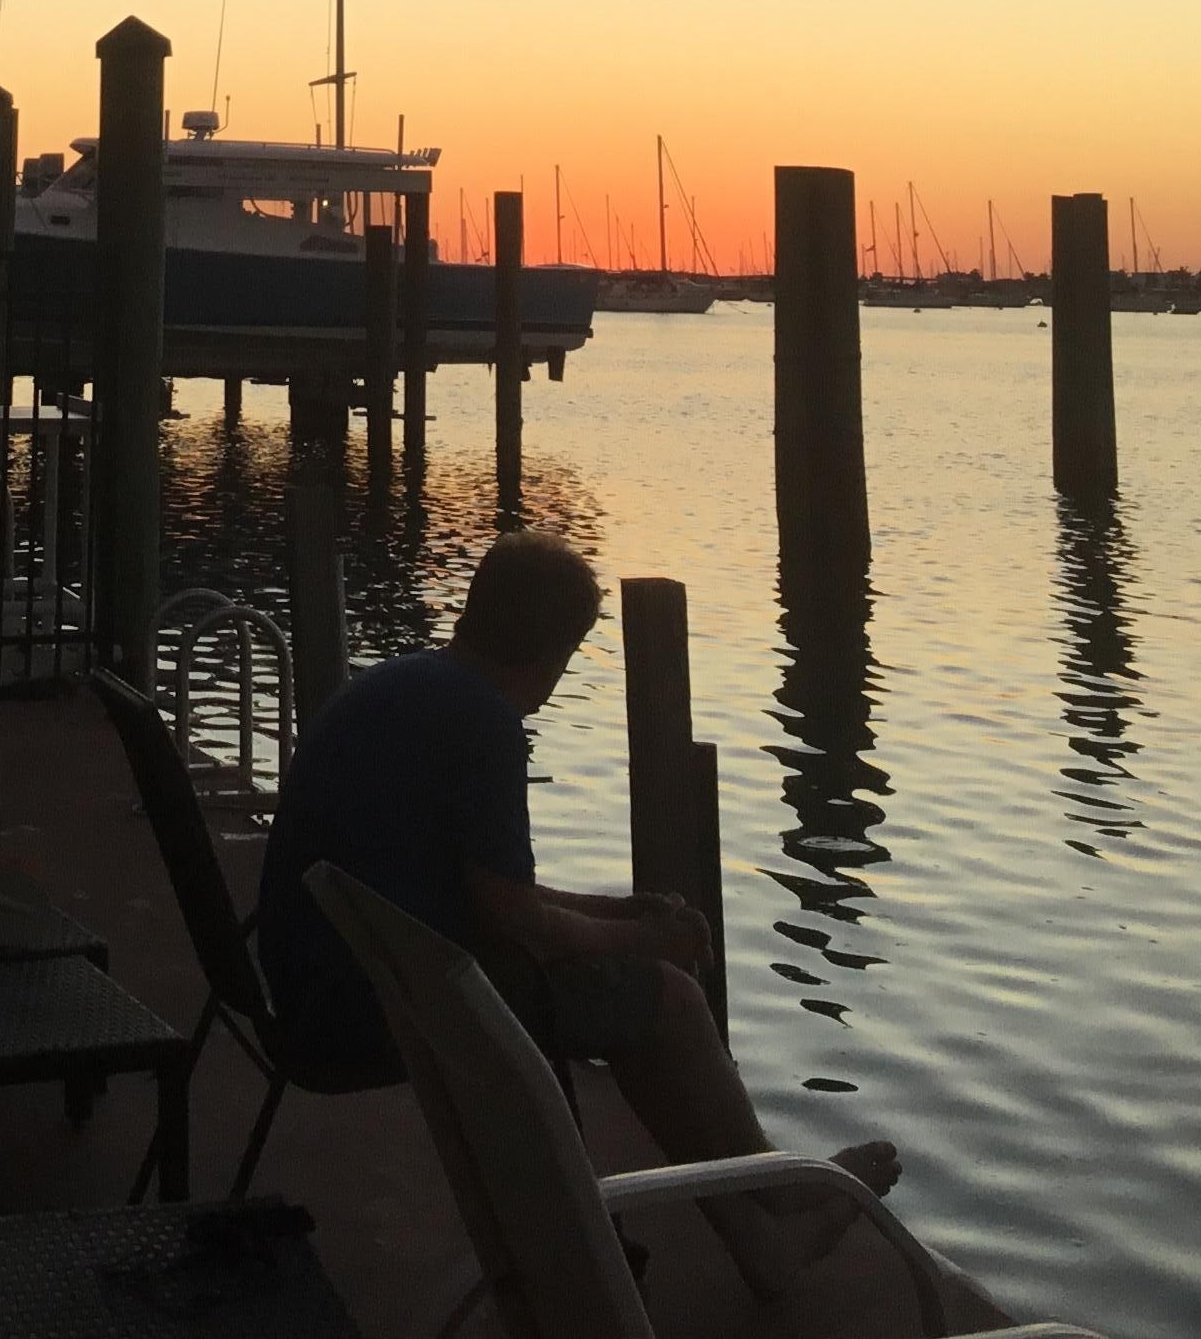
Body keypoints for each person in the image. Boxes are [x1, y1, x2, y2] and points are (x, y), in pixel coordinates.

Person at [256, 529, 898, 1300]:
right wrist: (646, 942)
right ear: (558, 650)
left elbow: (485, 891)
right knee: (668, 1000)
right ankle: (778, 1193)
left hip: (320, 982)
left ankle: (762, 1237)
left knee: (634, 995)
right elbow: (515, 920)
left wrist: (617, 916)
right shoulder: (485, 724)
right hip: (376, 1010)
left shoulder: (406, 685)